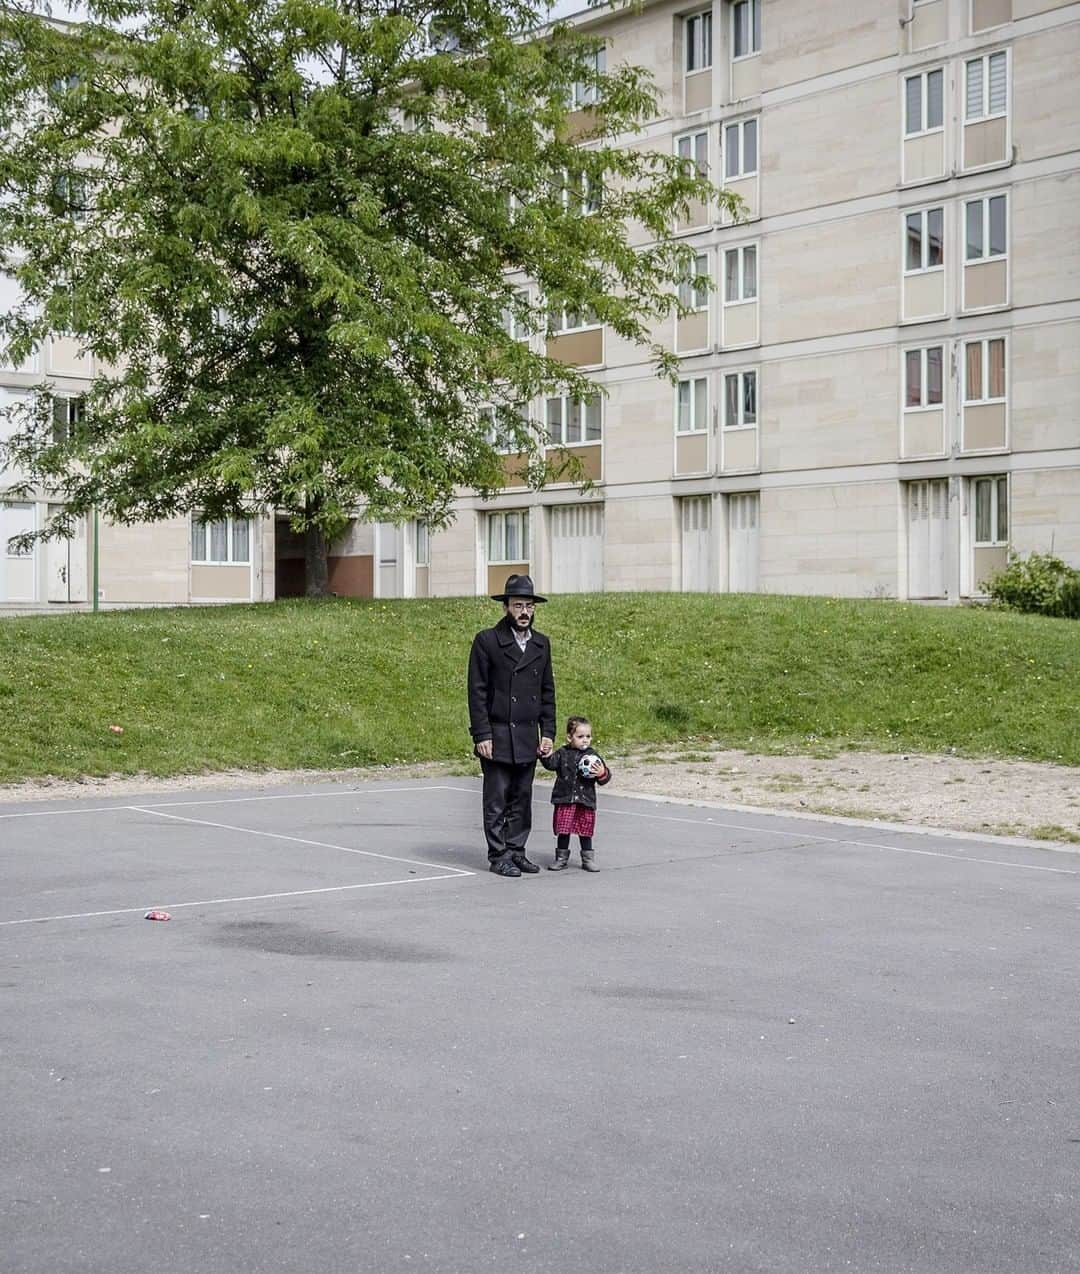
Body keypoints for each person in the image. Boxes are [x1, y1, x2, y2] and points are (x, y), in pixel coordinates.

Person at [467, 574, 556, 878]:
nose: (524, 612)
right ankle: (498, 854)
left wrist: (549, 734)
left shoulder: (541, 644)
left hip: (527, 736)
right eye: (518, 605)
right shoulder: (487, 641)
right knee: (497, 800)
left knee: (523, 798)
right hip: (498, 734)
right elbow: (476, 691)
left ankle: (516, 850)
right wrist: (482, 734)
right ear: (506, 607)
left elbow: (547, 692)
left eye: (529, 606)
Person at [539, 715, 611, 872]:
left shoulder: (593, 756)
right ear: (569, 737)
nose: (585, 740)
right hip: (565, 799)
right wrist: (545, 755)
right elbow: (551, 765)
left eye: (588, 736)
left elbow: (604, 778)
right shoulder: (562, 753)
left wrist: (602, 773)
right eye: (580, 737)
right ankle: (561, 858)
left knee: (585, 831)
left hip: (585, 800)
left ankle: (588, 859)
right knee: (563, 830)